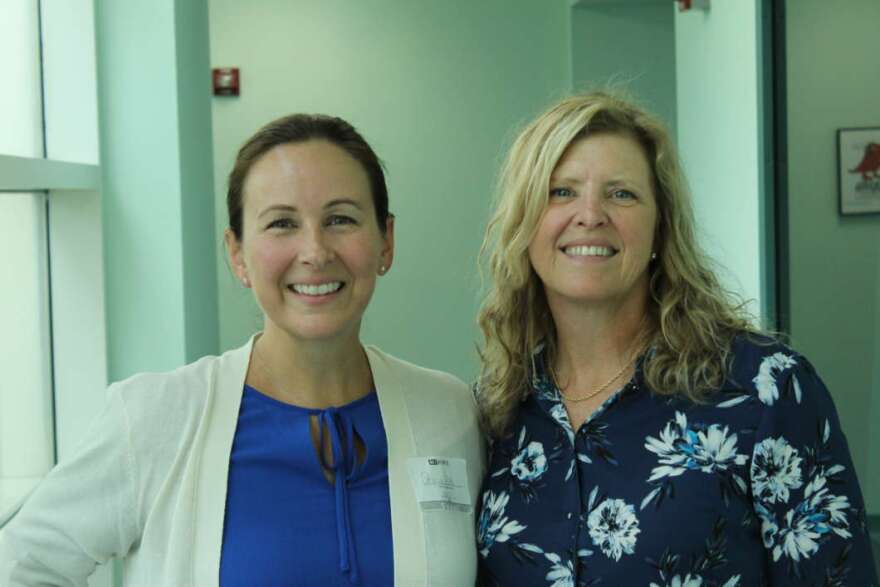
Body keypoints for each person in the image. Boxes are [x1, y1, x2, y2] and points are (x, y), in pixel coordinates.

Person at [0, 114, 485, 586]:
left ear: (386, 241)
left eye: (341, 219)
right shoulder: (154, 419)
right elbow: (21, 564)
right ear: (237, 254)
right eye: (281, 224)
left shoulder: (449, 413)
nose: (315, 251)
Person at [475, 91, 878, 585]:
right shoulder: (500, 409)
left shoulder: (765, 389)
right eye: (560, 192)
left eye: (621, 193)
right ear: (525, 223)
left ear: (660, 227)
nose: (590, 214)